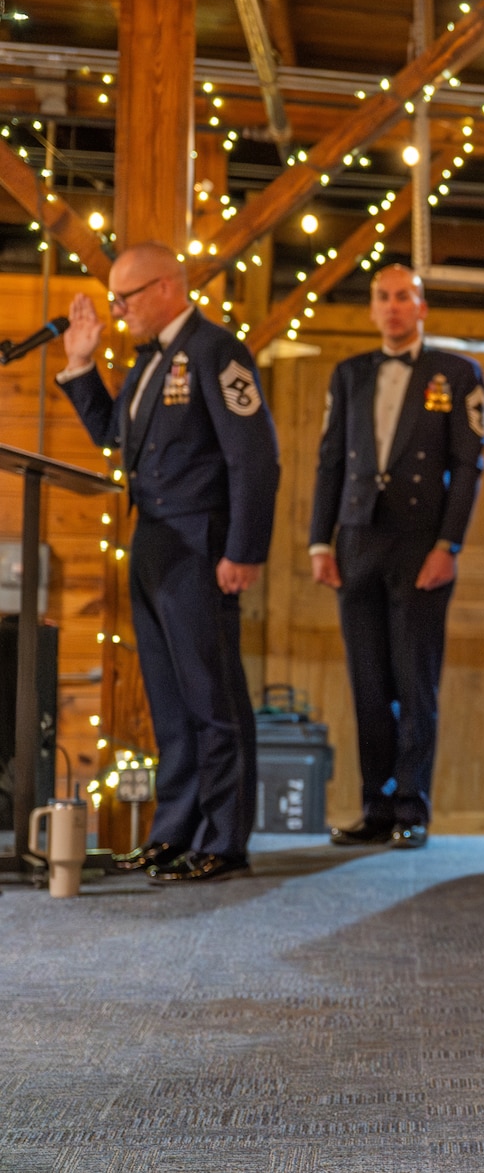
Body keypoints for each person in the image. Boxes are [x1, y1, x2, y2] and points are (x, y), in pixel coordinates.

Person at [56, 243, 279, 884]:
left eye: (125, 297)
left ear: (167, 287)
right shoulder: (147, 361)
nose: (117, 309)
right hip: (153, 540)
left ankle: (225, 839)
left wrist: (244, 549)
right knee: (169, 701)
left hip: (201, 545)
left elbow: (254, 457)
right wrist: (81, 366)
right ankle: (174, 831)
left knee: (212, 698)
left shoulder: (217, 351)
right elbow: (113, 438)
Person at [311, 266, 484, 851]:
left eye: (403, 297)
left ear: (422, 307)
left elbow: (467, 467)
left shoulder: (457, 373)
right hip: (358, 538)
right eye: (382, 298)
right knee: (366, 681)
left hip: (420, 543)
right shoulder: (350, 374)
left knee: (414, 680)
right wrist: (319, 541)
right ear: (371, 309)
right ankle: (375, 806)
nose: (392, 307)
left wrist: (448, 545)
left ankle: (413, 807)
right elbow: (329, 461)